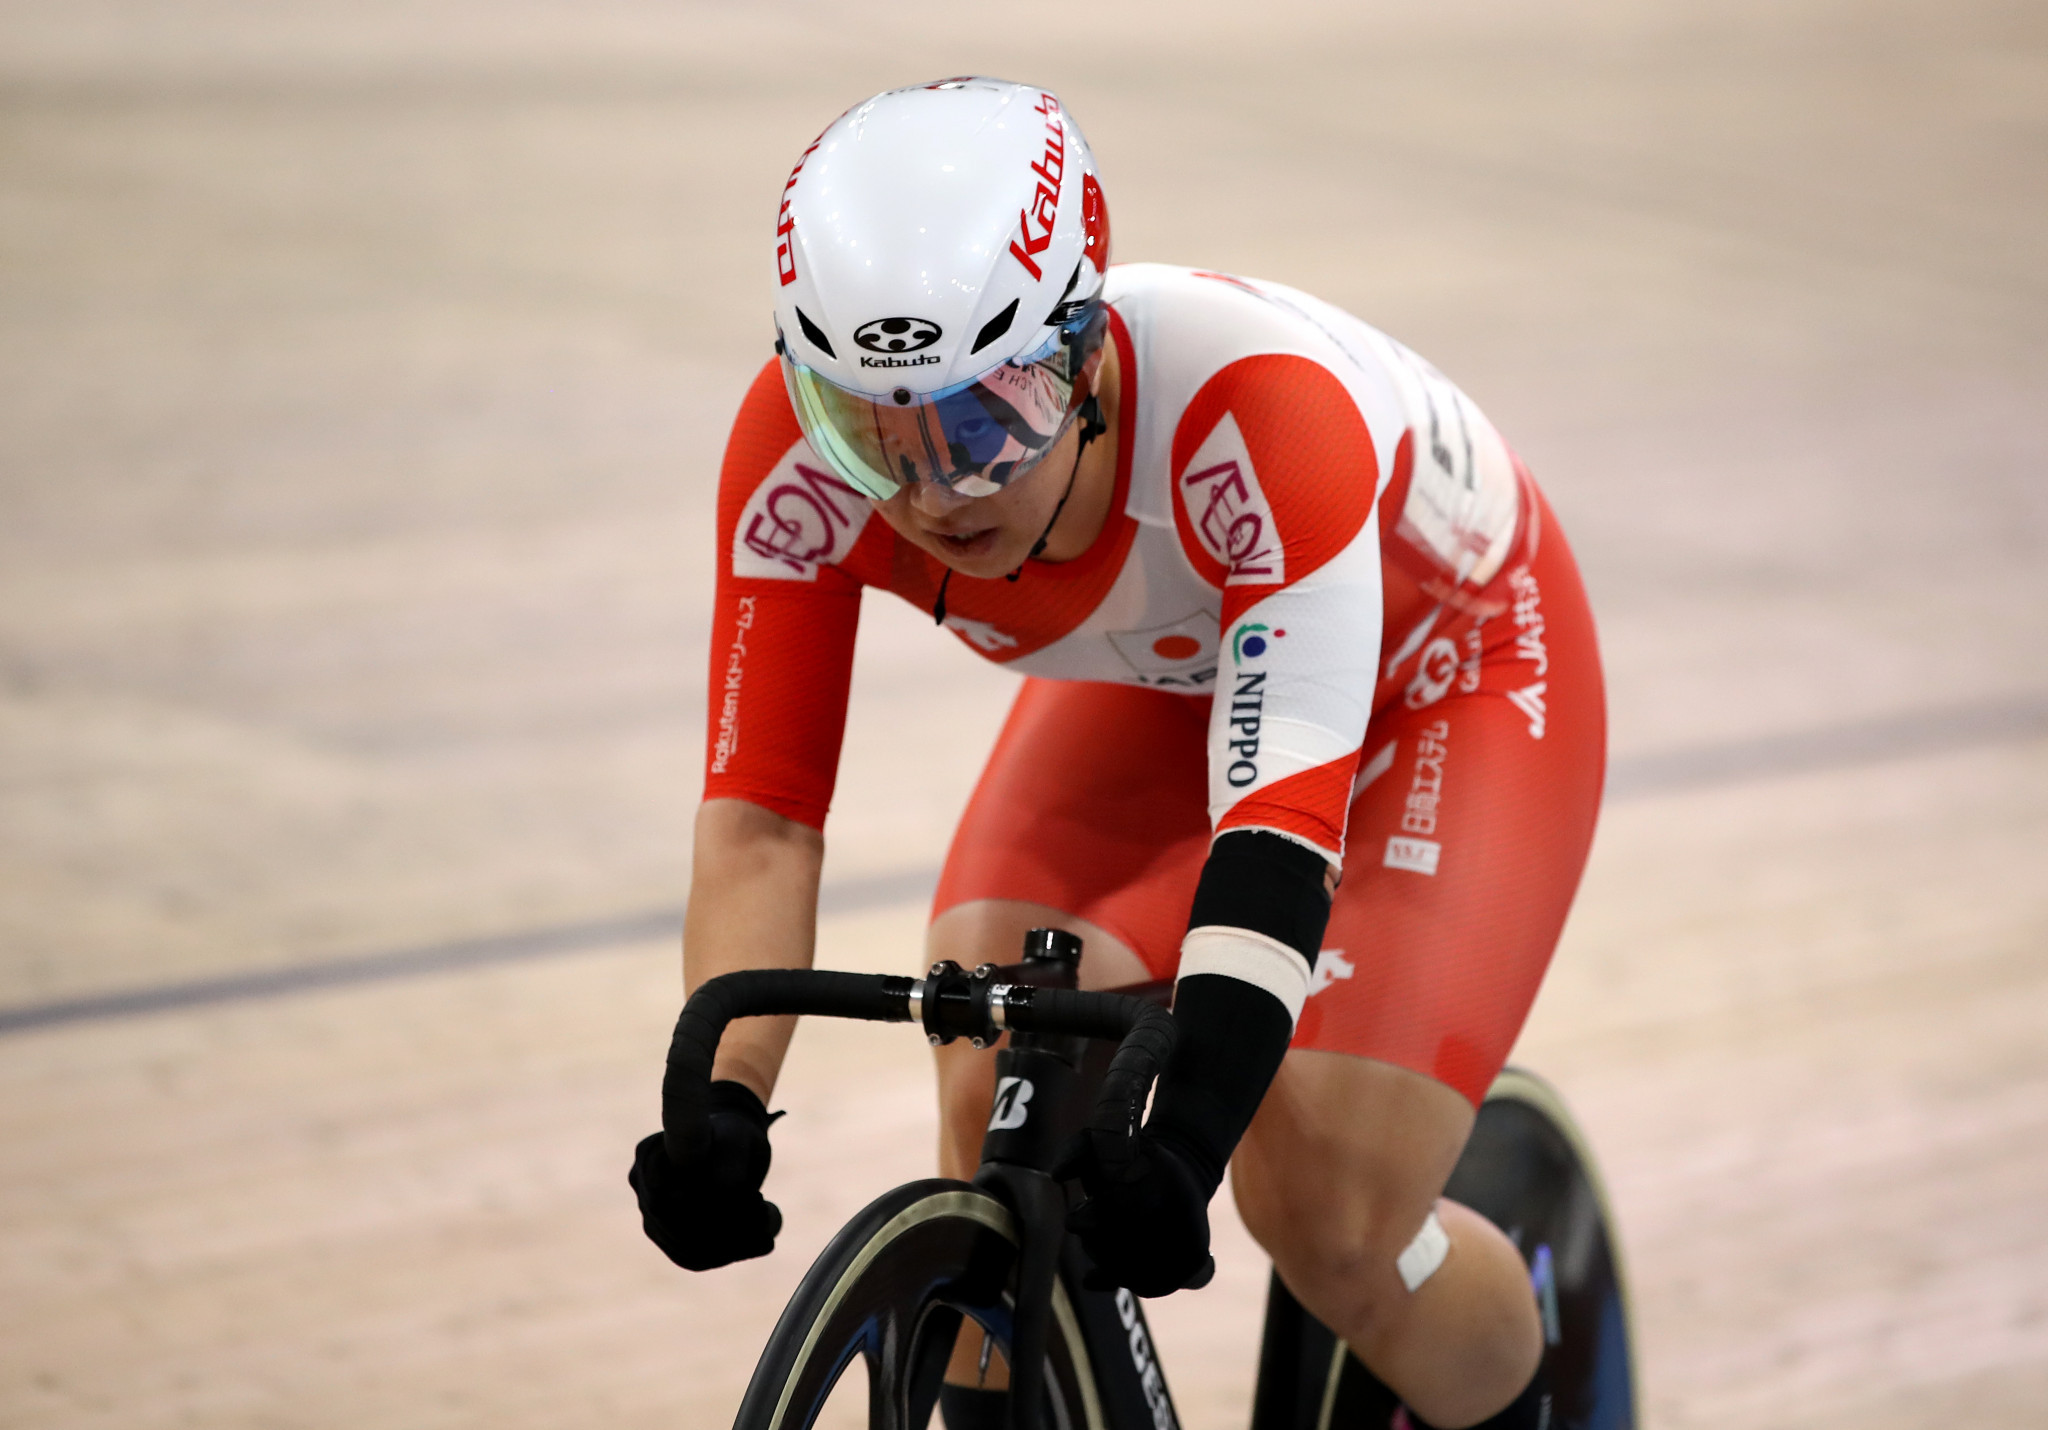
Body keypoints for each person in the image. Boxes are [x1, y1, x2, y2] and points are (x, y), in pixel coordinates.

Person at [629, 77, 1605, 1430]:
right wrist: (724, 1094)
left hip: (1452, 662)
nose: (927, 497)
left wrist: (1192, 1138)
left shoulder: (1261, 421)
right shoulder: (796, 463)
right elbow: (763, 823)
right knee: (992, 1066)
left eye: (980, 426)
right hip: (1200, 651)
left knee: (1321, 1209)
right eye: (871, 433)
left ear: (1083, 359)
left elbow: (1271, 857)